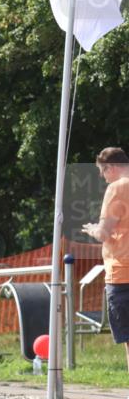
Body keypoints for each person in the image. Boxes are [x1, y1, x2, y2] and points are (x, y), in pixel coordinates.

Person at [82, 146, 129, 372]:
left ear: (110, 167)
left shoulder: (117, 188)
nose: (102, 177)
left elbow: (104, 233)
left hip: (122, 273)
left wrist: (93, 229)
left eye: (102, 171)